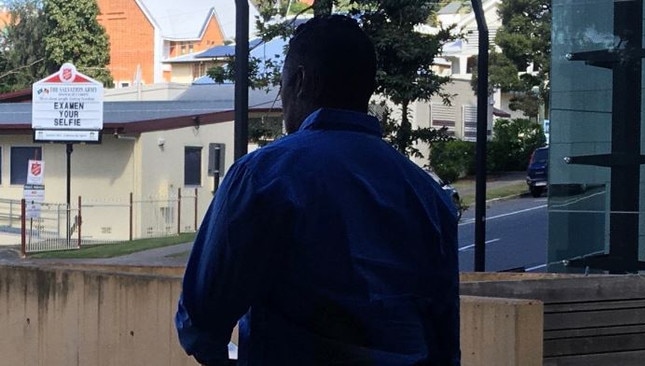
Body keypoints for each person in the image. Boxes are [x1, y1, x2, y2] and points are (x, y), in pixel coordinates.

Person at [175, 15, 460, 366]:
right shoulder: (428, 196)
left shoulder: (264, 176)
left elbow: (202, 320)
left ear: (300, 81)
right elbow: (445, 342)